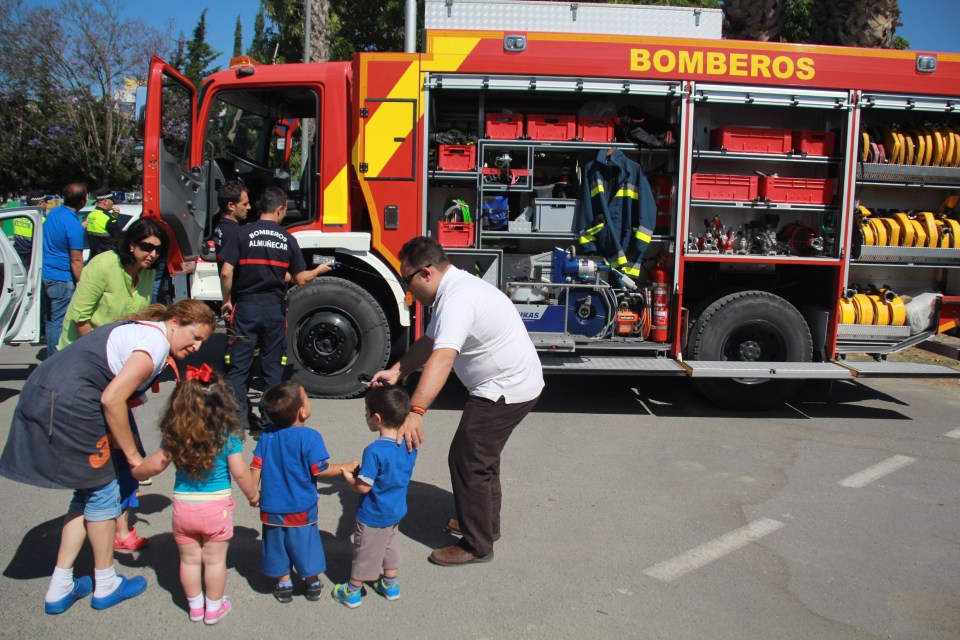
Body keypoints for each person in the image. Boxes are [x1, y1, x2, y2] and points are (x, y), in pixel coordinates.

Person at [0, 299, 217, 614]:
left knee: (86, 494)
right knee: (104, 493)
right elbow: (112, 397)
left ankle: (61, 587)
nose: (197, 346)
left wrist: (125, 447)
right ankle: (106, 583)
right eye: (195, 336)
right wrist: (132, 458)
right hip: (72, 402)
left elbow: (116, 399)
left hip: (51, 392)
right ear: (175, 321)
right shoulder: (155, 343)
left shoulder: (145, 332)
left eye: (203, 342)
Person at [371, 236, 543, 566]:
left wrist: (416, 410)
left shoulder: (458, 299)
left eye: (407, 280)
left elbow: (442, 359)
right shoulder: (454, 289)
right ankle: (484, 525)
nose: (409, 290)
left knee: (469, 459)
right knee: (481, 457)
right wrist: (398, 370)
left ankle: (477, 545)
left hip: (505, 388)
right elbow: (431, 342)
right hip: (513, 383)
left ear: (425, 273)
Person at [57, 218, 169, 551]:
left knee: (119, 452)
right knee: (109, 455)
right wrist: (111, 370)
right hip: (84, 365)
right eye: (146, 246)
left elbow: (141, 317)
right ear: (131, 244)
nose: (151, 255)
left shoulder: (146, 273)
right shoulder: (103, 265)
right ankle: (114, 529)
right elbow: (80, 319)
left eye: (157, 250)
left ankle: (121, 528)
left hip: (116, 368)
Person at [132, 366, 259, 625]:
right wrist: (253, 495)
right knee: (214, 561)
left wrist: (136, 471)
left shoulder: (176, 435)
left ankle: (195, 607)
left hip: (184, 507)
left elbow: (155, 465)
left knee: (189, 561)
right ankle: (214, 608)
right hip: (216, 508)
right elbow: (241, 473)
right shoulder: (227, 436)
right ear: (222, 403)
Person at [219, 186, 333, 430]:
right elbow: (300, 278)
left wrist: (226, 300)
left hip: (245, 307)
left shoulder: (240, 233)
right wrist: (319, 270)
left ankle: (237, 423)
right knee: (273, 370)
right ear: (280, 209)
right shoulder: (287, 239)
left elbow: (226, 271)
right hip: (273, 310)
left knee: (239, 367)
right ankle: (270, 423)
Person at [250, 381, 357, 603]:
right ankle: (312, 582)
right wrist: (345, 466)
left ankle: (284, 583)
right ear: (302, 411)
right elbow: (321, 470)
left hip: (271, 506)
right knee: (306, 543)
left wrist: (253, 492)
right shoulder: (310, 437)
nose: (309, 402)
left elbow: (256, 465)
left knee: (276, 544)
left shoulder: (267, 435)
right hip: (301, 506)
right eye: (306, 399)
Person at [332, 385, 418, 608]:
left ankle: (352, 590)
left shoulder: (374, 450)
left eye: (366, 412)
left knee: (365, 551)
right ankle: (390, 584)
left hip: (373, 513)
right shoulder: (410, 445)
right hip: (396, 509)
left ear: (376, 418)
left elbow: (363, 488)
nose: (366, 416)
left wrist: (349, 477)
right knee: (390, 545)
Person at [42, 182, 88, 353]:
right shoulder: (73, 225)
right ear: (84, 200)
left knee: (51, 320)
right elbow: (76, 260)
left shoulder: (54, 214)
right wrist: (83, 284)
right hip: (62, 279)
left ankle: (52, 355)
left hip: (47, 274)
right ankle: (56, 357)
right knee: (60, 321)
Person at [212, 181, 250, 265]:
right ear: (231, 206)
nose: (249, 207)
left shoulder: (221, 227)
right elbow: (227, 271)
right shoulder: (233, 232)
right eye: (245, 204)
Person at [13, 190, 49, 268]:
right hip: (32, 258)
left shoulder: (17, 216)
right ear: (40, 203)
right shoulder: (41, 220)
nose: (47, 204)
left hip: (16, 254)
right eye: (46, 202)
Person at [85, 188, 122, 260]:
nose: (113, 203)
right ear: (105, 201)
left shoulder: (90, 215)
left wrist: (114, 216)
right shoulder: (108, 218)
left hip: (93, 257)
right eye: (112, 200)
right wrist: (115, 218)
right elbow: (119, 238)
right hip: (106, 258)